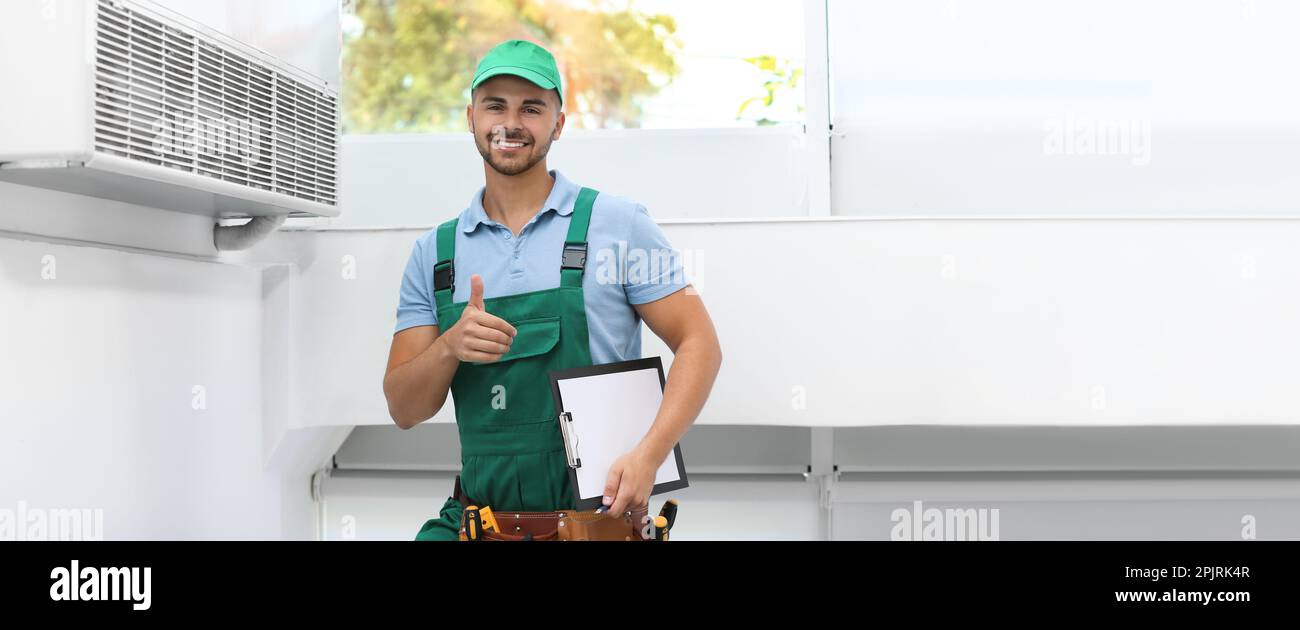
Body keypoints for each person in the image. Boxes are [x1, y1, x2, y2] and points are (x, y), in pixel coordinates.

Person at [382, 39, 723, 540]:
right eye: (494, 104)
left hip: (597, 526)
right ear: (471, 117)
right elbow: (404, 410)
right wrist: (449, 346)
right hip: (481, 525)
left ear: (558, 123)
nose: (510, 122)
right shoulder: (436, 253)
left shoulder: (620, 224)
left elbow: (700, 344)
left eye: (532, 108)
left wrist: (650, 454)